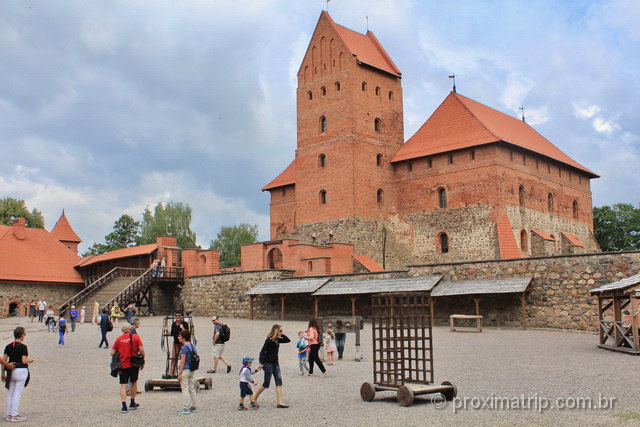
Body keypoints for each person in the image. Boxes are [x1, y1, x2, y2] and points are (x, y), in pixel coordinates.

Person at [253, 324, 290, 408]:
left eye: (282, 331)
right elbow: (262, 351)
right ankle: (254, 398)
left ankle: (280, 402)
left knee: (279, 382)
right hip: (268, 364)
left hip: (276, 364)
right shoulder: (269, 340)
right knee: (266, 384)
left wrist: (281, 334)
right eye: (280, 331)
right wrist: (261, 363)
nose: (282, 332)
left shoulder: (277, 339)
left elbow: (288, 340)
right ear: (276, 330)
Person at [2, 327, 34, 422]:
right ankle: (15, 415)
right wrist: (30, 361)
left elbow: (4, 361)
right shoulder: (23, 347)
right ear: (21, 335)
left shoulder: (8, 346)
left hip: (10, 370)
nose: (25, 335)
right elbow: (24, 360)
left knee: (10, 393)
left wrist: (2, 372)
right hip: (20, 370)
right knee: (17, 393)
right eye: (24, 334)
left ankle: (8, 414)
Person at [111, 324, 144, 413]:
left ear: (122, 330)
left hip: (122, 364)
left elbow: (112, 352)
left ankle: (124, 406)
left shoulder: (118, 339)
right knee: (134, 382)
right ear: (130, 329)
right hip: (133, 364)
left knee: (123, 385)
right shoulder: (136, 337)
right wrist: (142, 361)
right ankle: (132, 402)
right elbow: (141, 350)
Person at [176, 330, 198, 414]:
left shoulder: (184, 348)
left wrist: (180, 373)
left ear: (183, 338)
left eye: (180, 336)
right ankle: (194, 406)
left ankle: (186, 407)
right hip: (192, 369)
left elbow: (182, 361)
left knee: (185, 389)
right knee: (191, 388)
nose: (178, 337)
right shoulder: (192, 346)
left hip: (185, 369)